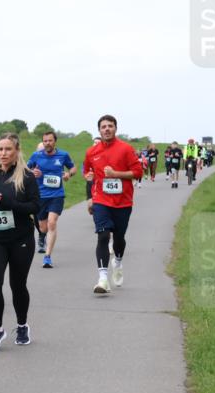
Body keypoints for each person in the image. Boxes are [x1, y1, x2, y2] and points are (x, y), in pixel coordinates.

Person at [0, 133, 41, 351]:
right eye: (1, 149)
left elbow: (35, 207)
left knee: (17, 285)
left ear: (16, 151)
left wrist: (12, 204)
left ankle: (22, 325)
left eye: (8, 149)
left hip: (20, 240)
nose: (3, 153)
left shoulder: (26, 176)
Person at [83, 115, 143, 294]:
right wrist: (88, 177)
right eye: (103, 127)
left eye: (110, 126)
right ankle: (102, 279)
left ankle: (117, 261)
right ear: (99, 130)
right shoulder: (92, 152)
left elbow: (138, 172)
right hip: (101, 199)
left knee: (118, 238)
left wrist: (116, 173)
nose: (107, 129)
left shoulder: (126, 149)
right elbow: (87, 171)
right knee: (102, 236)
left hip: (123, 201)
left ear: (115, 128)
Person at [27, 130, 76, 268]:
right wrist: (32, 172)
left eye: (50, 140)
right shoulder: (36, 156)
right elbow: (25, 169)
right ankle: (43, 236)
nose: (47, 143)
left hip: (56, 195)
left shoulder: (63, 155)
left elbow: (73, 168)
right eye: (45, 141)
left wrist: (68, 174)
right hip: (40, 196)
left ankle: (47, 256)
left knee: (52, 223)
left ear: (55, 141)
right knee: (43, 227)